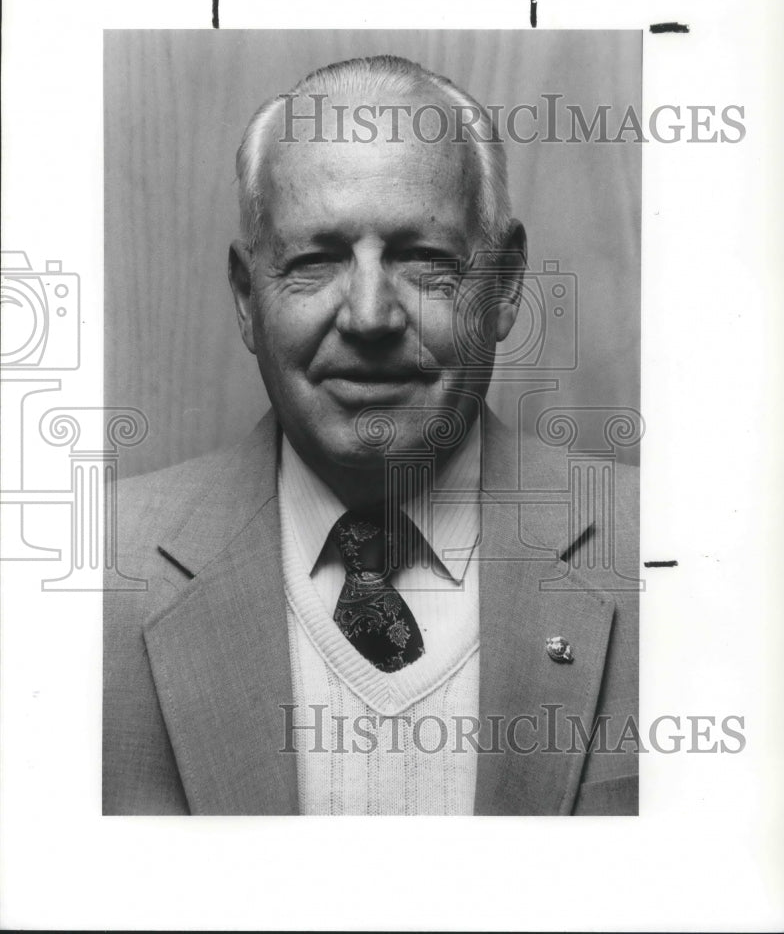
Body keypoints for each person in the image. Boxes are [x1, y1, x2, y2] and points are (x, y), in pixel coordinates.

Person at [103, 55, 639, 815]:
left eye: (424, 260)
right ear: (246, 298)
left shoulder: (669, 554)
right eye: (315, 261)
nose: (368, 317)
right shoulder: (89, 582)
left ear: (505, 287)